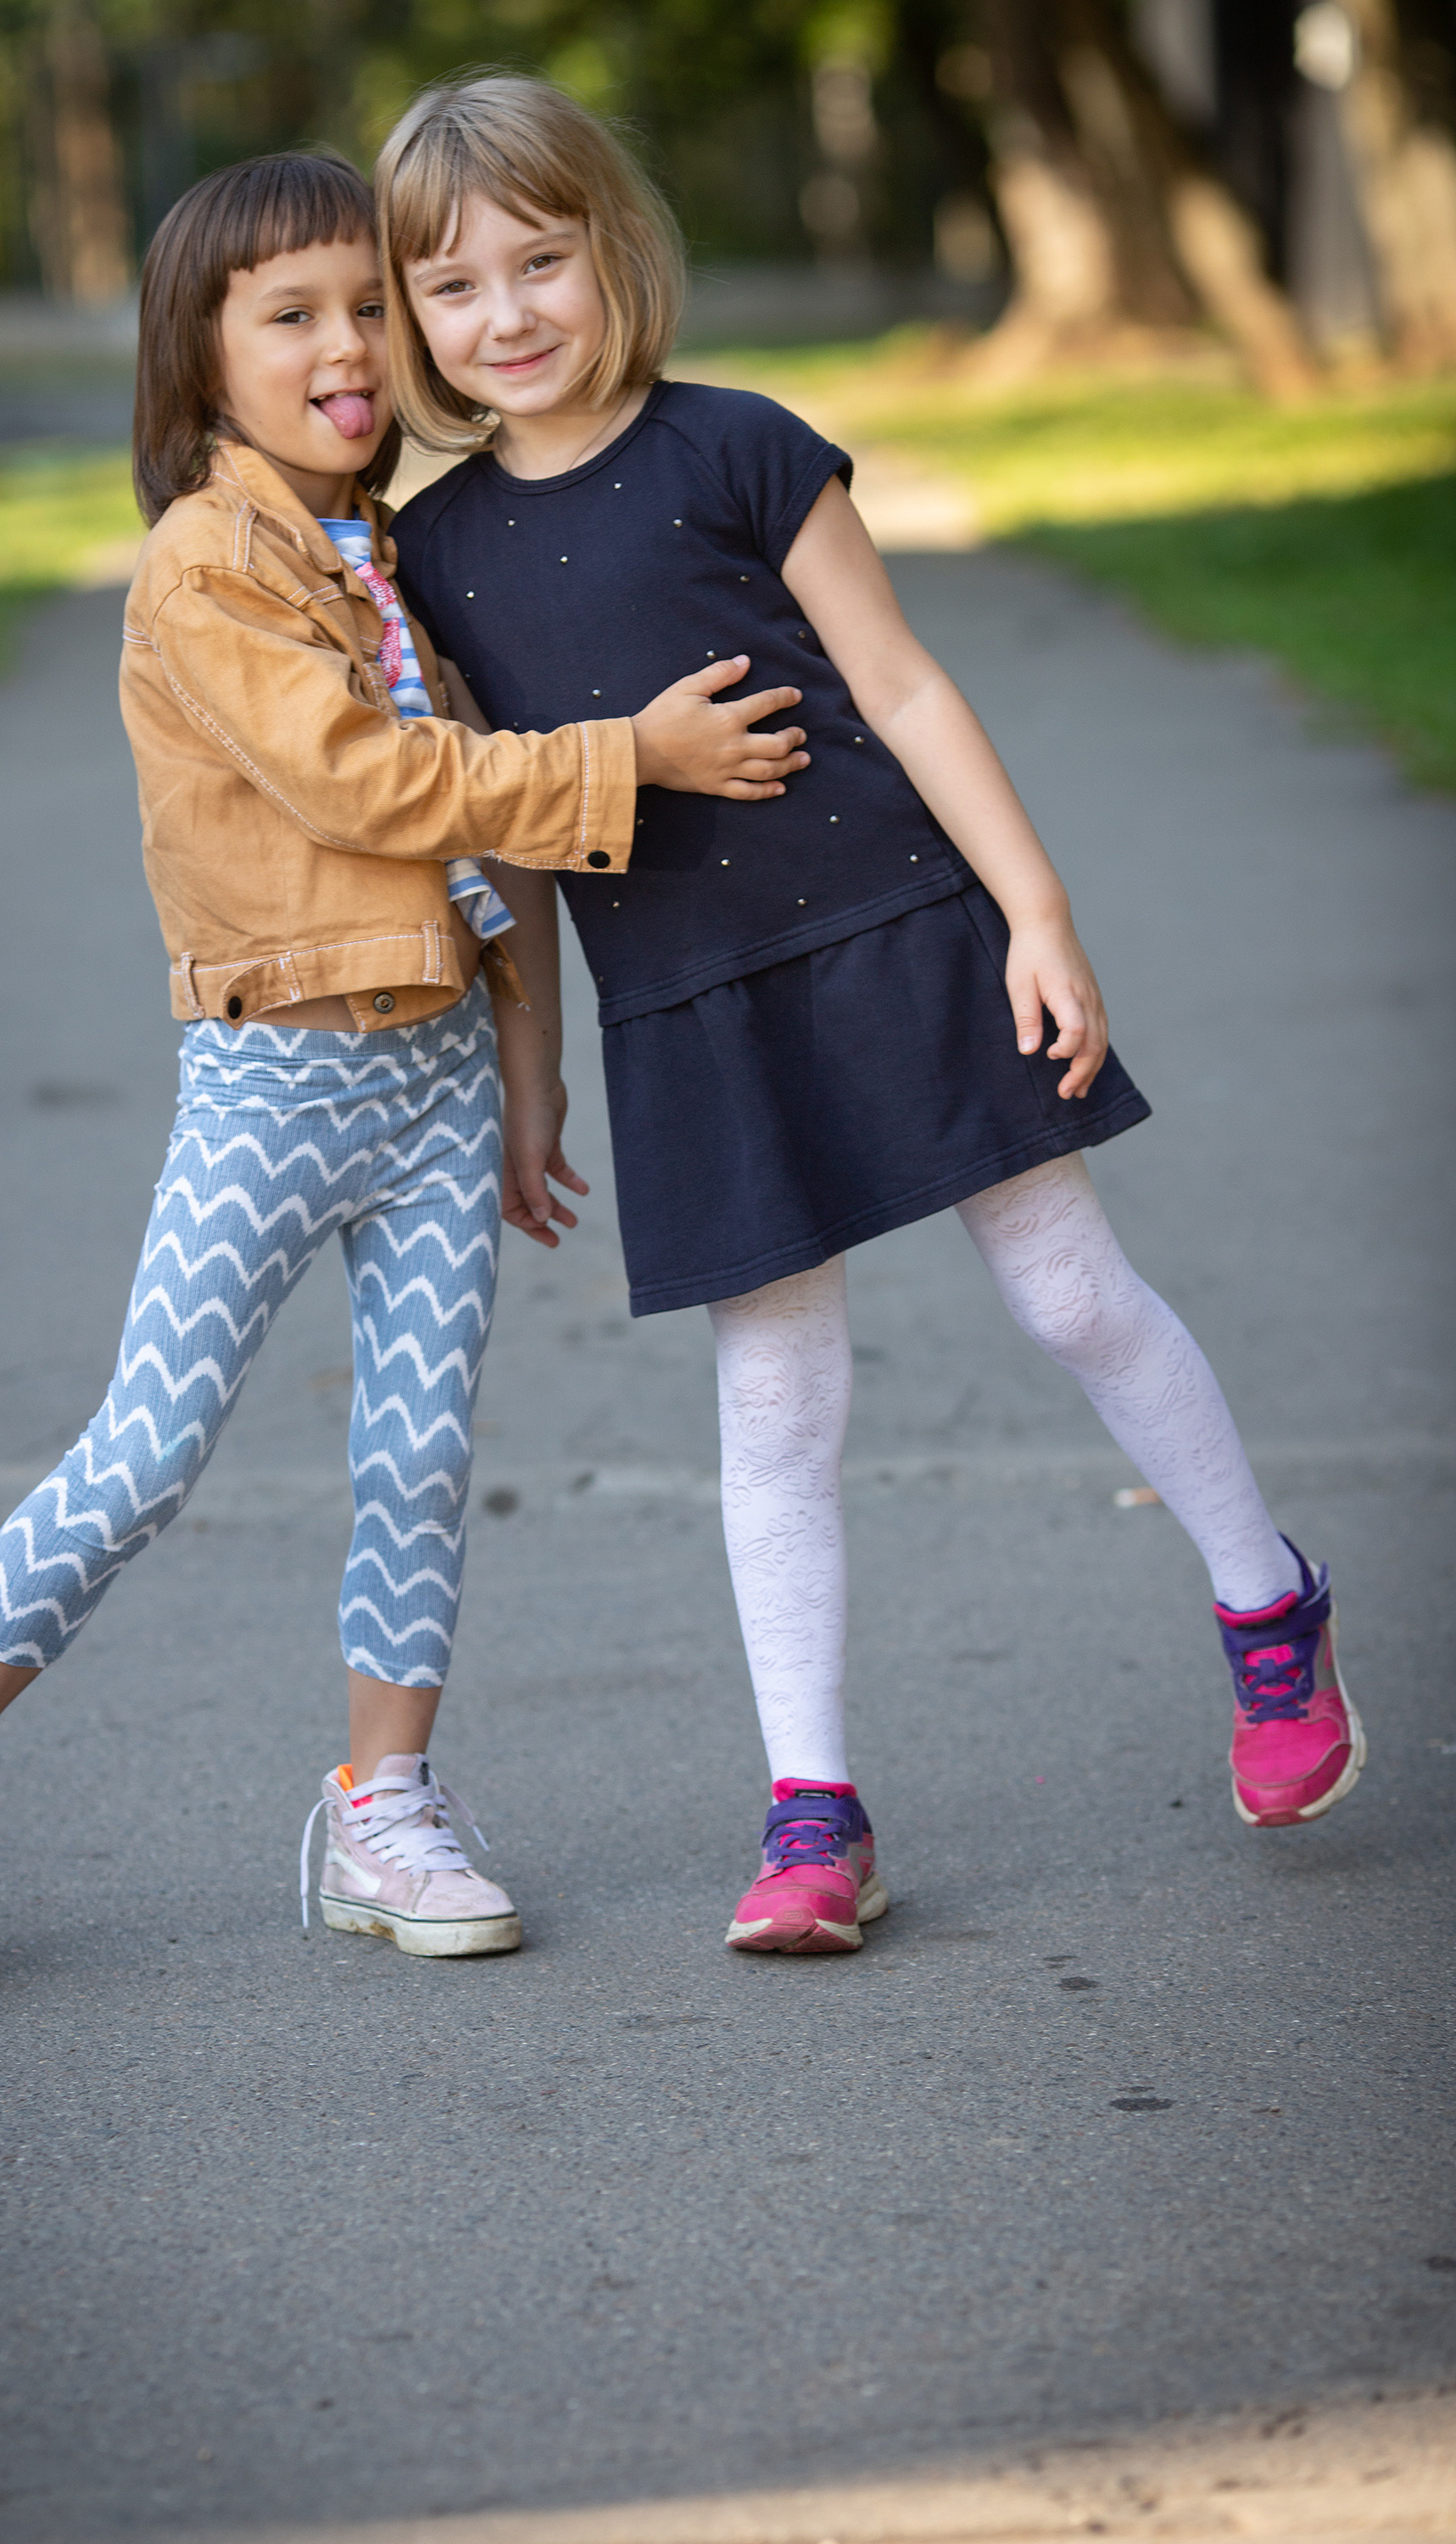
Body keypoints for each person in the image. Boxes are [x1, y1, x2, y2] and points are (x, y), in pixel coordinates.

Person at [0, 148, 809, 2007]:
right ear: (202, 360)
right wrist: (626, 755)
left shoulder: (404, 557)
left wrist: (530, 1075)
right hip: (270, 1087)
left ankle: (382, 1804)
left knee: (417, 1460)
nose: (346, 345)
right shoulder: (203, 569)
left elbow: (497, 874)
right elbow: (369, 788)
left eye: (365, 309)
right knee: (144, 1459)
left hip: (433, 1097)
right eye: (291, 315)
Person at [377, 76, 1365, 1956]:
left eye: (538, 260)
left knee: (1069, 1292)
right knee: (778, 1399)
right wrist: (529, 1079)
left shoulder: (744, 448)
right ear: (412, 320)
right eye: (451, 286)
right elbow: (494, 838)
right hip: (685, 1005)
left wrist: (1037, 911)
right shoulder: (435, 559)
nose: (503, 314)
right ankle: (813, 1817)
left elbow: (904, 690)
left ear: (614, 251)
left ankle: (1265, 1608)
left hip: (906, 930)